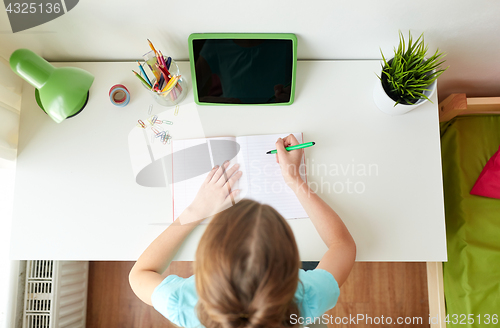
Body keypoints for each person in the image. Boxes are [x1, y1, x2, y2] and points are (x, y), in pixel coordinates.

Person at [129, 134, 356, 327]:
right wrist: (295, 180)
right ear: (289, 262)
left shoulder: (183, 303)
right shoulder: (308, 298)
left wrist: (195, 210)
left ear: (206, 263)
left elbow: (140, 275)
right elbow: (343, 245)